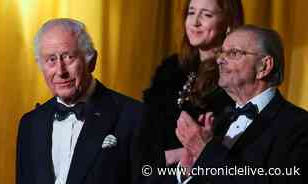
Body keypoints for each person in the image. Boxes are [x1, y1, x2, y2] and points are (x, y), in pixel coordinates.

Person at [16, 18, 143, 184]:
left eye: (68, 57)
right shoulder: (30, 124)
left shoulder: (134, 117)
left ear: (92, 61)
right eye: (51, 60)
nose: (60, 71)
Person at [176, 25, 308, 184]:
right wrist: (188, 172)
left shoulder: (299, 125)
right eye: (221, 53)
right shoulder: (219, 122)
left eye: (233, 53)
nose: (219, 60)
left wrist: (206, 152)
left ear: (264, 66)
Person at [140, 0, 244, 179]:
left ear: (228, 23)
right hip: (154, 172)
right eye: (191, 13)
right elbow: (146, 126)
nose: (195, 22)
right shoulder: (171, 67)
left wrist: (177, 155)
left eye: (206, 15)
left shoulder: (233, 74)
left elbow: (229, 143)